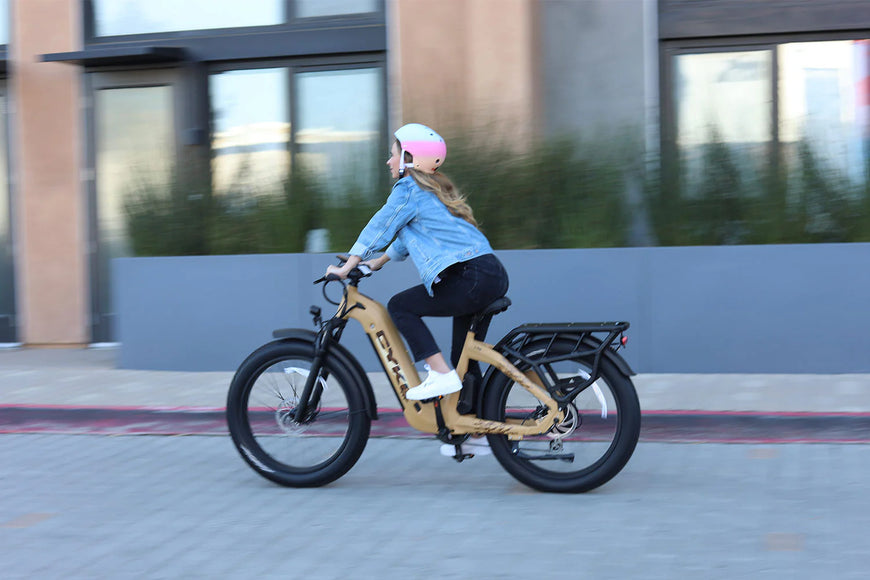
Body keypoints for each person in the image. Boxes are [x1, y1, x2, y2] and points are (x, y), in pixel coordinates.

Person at [325, 123, 509, 454]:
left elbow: (380, 225)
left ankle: (438, 374)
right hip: (488, 272)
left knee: (401, 306)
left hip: (470, 276)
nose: (389, 161)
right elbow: (409, 240)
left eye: (393, 154)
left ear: (409, 158)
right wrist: (376, 263)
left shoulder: (408, 190)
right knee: (463, 356)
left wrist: (349, 265)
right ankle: (474, 430)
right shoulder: (432, 191)